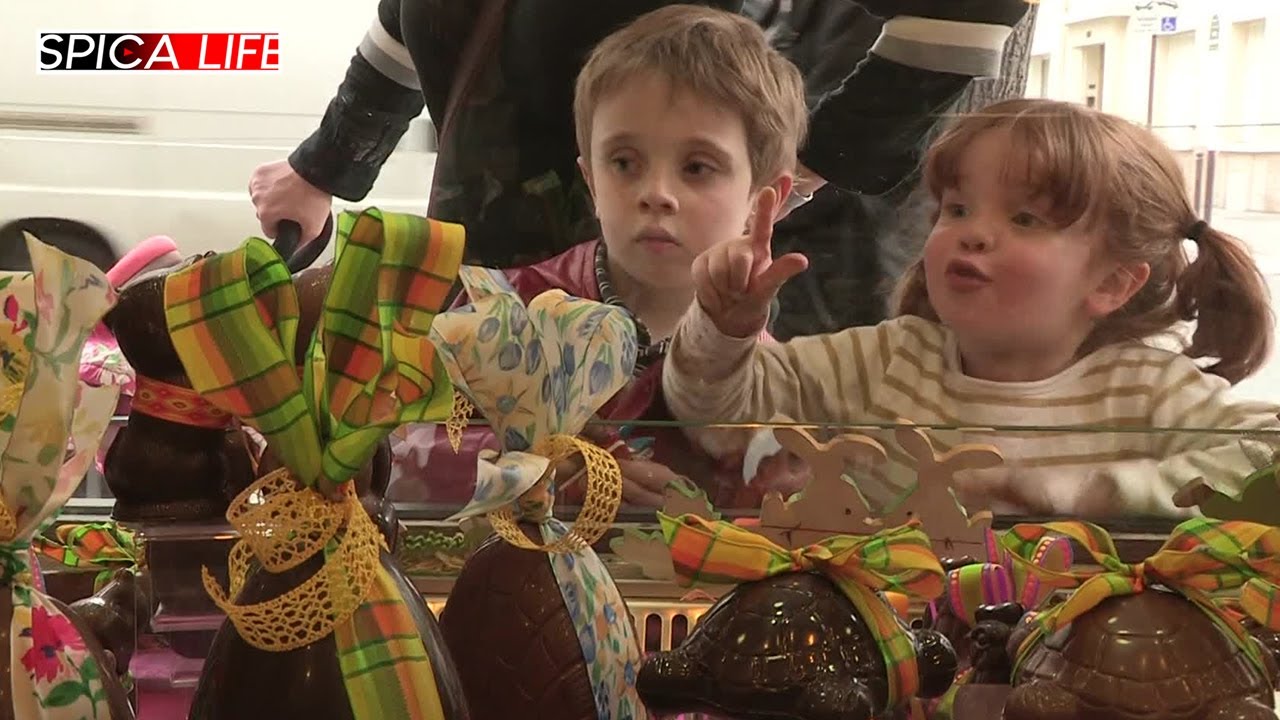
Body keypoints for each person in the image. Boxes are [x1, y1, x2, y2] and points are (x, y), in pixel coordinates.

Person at [662, 97, 1280, 518]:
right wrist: (724, 327)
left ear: (1114, 284)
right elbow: (718, 422)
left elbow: (1267, 458)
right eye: (957, 208)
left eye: (1025, 218)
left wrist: (1090, 489)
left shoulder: (1144, 389)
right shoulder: (884, 362)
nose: (973, 233)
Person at [248, 0, 1032, 272]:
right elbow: (417, 21)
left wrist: (801, 164)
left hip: (730, 295)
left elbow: (961, 15)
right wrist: (325, 166)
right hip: (503, 288)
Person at [389, 4, 811, 507]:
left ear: (765, 198)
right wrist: (547, 473)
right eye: (624, 162)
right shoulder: (502, 314)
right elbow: (407, 453)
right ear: (590, 179)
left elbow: (780, 516)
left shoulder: (766, 373)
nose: (656, 193)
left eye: (697, 167)